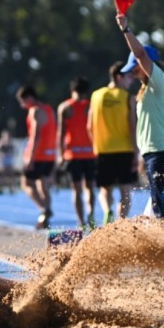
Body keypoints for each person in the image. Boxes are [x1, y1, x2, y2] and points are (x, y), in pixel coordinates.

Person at [115, 13, 164, 225]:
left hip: (162, 151)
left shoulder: (159, 82)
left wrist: (126, 29)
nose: (133, 74)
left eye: (135, 68)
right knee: (159, 201)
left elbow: (140, 54)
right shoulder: (146, 90)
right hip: (152, 153)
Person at [88, 62, 138, 225]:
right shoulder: (127, 97)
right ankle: (122, 223)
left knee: (105, 188)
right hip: (124, 148)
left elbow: (89, 125)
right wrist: (136, 151)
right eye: (129, 77)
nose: (131, 81)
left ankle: (108, 211)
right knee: (125, 189)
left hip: (103, 149)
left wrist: (96, 144)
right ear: (119, 77)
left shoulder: (96, 95)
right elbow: (132, 125)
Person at [57, 76, 97, 229]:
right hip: (90, 153)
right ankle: (91, 214)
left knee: (76, 190)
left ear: (71, 89)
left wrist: (60, 154)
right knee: (90, 187)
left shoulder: (65, 107)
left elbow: (61, 132)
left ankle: (81, 221)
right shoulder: (90, 106)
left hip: (72, 155)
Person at [16, 85, 57, 229]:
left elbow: (36, 136)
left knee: (26, 183)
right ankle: (45, 218)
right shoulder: (49, 109)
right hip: (50, 155)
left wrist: (30, 158)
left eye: (23, 102)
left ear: (30, 98)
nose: (22, 106)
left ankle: (45, 209)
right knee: (43, 187)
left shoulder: (35, 111)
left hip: (38, 156)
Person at [0, 129, 16, 194]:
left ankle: (11, 188)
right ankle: (0, 188)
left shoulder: (11, 143)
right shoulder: (0, 142)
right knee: (2, 174)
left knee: (10, 175)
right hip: (3, 160)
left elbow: (14, 151)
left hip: (9, 160)